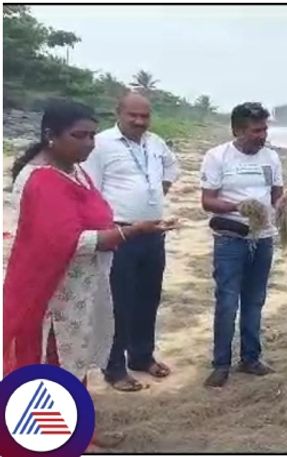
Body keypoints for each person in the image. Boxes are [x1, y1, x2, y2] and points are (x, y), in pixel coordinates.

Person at [4, 99, 171, 447]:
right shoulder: (41, 178)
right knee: (52, 362)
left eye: (92, 136)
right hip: (52, 291)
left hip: (81, 287)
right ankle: (44, 440)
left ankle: (72, 433)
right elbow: (65, 240)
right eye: (79, 136)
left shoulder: (74, 170)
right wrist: (130, 232)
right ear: (51, 136)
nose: (89, 144)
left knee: (74, 361)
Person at [82, 92, 181, 391]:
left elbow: (170, 172)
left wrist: (150, 197)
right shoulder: (100, 144)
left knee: (147, 298)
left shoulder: (156, 142)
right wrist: (115, 224)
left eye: (145, 116)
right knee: (118, 303)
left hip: (153, 233)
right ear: (119, 113)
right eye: (133, 115)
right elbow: (90, 189)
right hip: (120, 235)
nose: (139, 121)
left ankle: (141, 356)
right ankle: (114, 368)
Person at [199, 102, 284, 388]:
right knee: (226, 301)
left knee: (255, 300)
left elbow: (276, 197)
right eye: (255, 130)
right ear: (237, 130)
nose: (262, 135)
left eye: (265, 129)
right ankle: (221, 363)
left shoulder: (271, 158)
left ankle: (251, 358)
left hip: (262, 239)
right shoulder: (217, 156)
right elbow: (207, 201)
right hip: (230, 240)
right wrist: (240, 206)